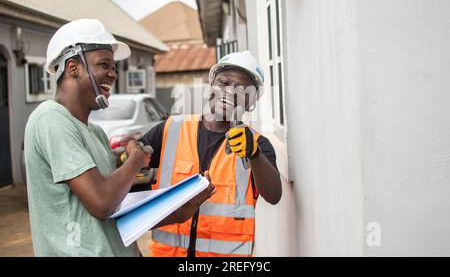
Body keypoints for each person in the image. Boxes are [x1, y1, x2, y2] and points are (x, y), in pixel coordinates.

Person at [24, 19, 214, 257]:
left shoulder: (95, 133)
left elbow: (114, 211)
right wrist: (135, 161)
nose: (112, 74)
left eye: (114, 67)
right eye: (104, 65)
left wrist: (179, 211)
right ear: (73, 67)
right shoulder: (50, 118)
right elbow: (102, 203)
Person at [140, 51, 282, 257]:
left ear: (251, 102)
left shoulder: (257, 144)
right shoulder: (171, 129)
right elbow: (132, 163)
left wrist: (255, 154)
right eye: (223, 83)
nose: (230, 92)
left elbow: (274, 195)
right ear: (211, 86)